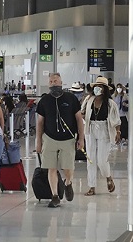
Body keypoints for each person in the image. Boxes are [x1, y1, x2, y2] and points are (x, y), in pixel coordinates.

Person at [35, 72, 84, 208]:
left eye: (56, 81)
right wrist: (38, 141)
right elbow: (40, 122)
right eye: (51, 81)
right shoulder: (44, 101)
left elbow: (79, 119)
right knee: (51, 167)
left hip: (68, 139)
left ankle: (68, 183)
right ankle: (55, 195)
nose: (53, 83)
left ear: (61, 83)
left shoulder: (71, 99)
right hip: (50, 138)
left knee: (68, 167)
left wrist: (81, 138)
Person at [82, 77, 121, 196]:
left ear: (104, 89)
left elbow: (117, 120)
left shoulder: (110, 103)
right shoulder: (89, 100)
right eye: (95, 86)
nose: (97, 89)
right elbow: (82, 112)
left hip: (105, 129)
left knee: (102, 160)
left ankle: (108, 177)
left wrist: (118, 132)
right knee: (91, 159)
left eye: (99, 86)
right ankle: (92, 186)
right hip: (90, 129)